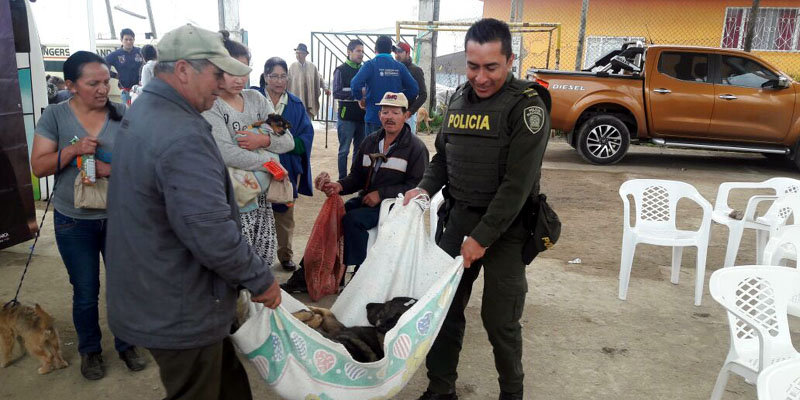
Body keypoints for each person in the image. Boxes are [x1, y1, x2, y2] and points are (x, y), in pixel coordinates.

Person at [105, 25, 281, 400]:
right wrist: (259, 278)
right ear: (183, 70)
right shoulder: (181, 132)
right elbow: (210, 230)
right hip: (179, 306)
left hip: (163, 293)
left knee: (229, 386)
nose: (221, 85)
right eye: (216, 74)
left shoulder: (148, 112)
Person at [403, 18, 552, 400]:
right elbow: (442, 158)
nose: (481, 77)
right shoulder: (455, 100)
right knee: (443, 310)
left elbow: (517, 186)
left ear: (509, 60)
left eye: (491, 67)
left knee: (500, 320)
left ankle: (511, 393)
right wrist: (422, 190)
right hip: (458, 218)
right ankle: (440, 389)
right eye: (473, 66)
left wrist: (481, 238)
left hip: (507, 228)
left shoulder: (527, 108)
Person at [30, 51, 145, 381]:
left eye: (105, 82)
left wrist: (112, 168)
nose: (101, 89)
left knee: (123, 287)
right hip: (73, 220)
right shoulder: (55, 116)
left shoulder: (122, 114)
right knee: (85, 290)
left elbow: (143, 164)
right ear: (71, 85)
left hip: (119, 217)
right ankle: (90, 350)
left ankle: (127, 344)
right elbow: (39, 167)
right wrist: (72, 150)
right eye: (92, 83)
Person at [282, 92, 429, 293]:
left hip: (396, 207)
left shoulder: (415, 148)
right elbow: (357, 176)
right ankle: (308, 273)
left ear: (406, 115)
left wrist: (382, 194)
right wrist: (339, 186)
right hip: (367, 201)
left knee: (353, 220)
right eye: (385, 111)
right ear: (379, 115)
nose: (390, 117)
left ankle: (359, 277)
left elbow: (417, 185)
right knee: (332, 217)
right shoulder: (370, 142)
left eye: (395, 112)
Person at [202, 32, 295, 266]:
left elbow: (288, 141)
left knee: (261, 260)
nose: (240, 78)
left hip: (260, 198)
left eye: (244, 71)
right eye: (232, 71)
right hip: (231, 197)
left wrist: (261, 141)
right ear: (216, 69)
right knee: (235, 265)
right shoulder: (210, 106)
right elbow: (225, 152)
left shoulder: (256, 99)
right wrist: (268, 164)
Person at [258, 57, 315, 271]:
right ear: (265, 76)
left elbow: (306, 137)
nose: (279, 81)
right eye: (274, 76)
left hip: (286, 168)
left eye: (283, 76)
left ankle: (285, 255)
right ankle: (257, 257)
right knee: (257, 210)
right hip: (256, 166)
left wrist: (282, 144)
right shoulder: (253, 98)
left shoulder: (295, 104)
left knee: (284, 212)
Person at [351, 35, 419, 136]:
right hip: (394, 119)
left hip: (374, 116)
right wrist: (398, 98)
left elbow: (355, 83)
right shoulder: (399, 67)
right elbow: (414, 89)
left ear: (375, 49)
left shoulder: (370, 65)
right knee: (393, 150)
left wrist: (360, 99)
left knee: (372, 149)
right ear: (391, 50)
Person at [332, 39, 366, 180]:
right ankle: (342, 179)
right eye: (358, 51)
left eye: (363, 51)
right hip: (346, 117)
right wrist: (356, 92)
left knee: (359, 151)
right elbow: (336, 92)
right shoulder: (341, 70)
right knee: (344, 150)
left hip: (362, 117)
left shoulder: (365, 70)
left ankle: (353, 179)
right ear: (349, 52)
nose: (361, 54)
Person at [287, 43, 329, 120]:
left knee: (307, 121)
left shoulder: (312, 67)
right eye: (297, 53)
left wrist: (325, 88)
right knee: (295, 121)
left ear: (306, 54)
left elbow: (319, 78)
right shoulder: (292, 67)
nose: (298, 55)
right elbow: (287, 81)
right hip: (296, 99)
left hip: (308, 100)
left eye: (301, 53)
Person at [393, 42, 427, 135]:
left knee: (407, 145)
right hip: (393, 113)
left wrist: (410, 112)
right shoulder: (393, 69)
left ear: (407, 53)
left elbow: (423, 95)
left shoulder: (416, 70)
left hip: (407, 116)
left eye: (400, 52)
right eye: (395, 52)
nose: (397, 55)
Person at [104, 28, 144, 105]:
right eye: (126, 39)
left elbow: (151, 62)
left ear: (134, 40)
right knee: (129, 113)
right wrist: (114, 75)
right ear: (121, 40)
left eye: (131, 39)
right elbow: (102, 64)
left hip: (141, 90)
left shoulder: (140, 52)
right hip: (126, 91)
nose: (129, 42)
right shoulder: (115, 55)